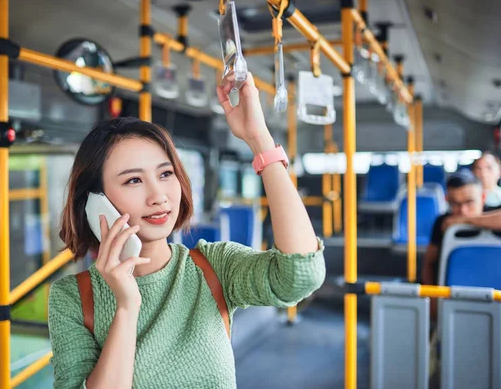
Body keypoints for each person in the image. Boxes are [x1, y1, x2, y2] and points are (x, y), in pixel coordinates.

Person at [47, 74, 326, 388]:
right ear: (95, 203)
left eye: (165, 173)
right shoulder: (72, 298)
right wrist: (127, 306)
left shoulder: (212, 266)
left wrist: (259, 140)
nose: (159, 195)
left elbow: (300, 276)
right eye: (133, 180)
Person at [422, 170, 501, 288]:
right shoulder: (442, 222)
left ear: (483, 197)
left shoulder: (493, 215)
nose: (463, 210)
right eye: (455, 204)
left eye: (469, 202)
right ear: (446, 200)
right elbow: (429, 263)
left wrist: (465, 220)